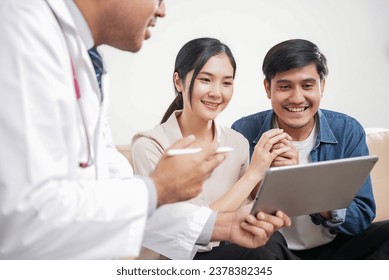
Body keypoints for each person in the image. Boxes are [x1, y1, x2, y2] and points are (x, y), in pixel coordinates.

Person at [0, 0, 291, 260]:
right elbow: (19, 218)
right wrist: (157, 189)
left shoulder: (87, 61)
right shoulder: (19, 31)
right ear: (179, 81)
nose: (162, 10)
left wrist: (224, 224)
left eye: (227, 82)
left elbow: (111, 195)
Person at [131, 37, 297, 260]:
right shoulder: (149, 145)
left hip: (230, 247)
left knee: (273, 242)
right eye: (205, 80)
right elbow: (189, 230)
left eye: (226, 83)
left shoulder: (237, 142)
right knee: (259, 255)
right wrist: (252, 173)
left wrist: (282, 170)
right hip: (177, 259)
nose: (217, 93)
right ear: (179, 82)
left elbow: (247, 215)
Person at [232, 38, 389, 259]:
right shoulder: (244, 131)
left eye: (307, 86)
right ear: (268, 88)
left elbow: (361, 215)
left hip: (337, 247)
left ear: (321, 86)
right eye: (284, 86)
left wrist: (301, 180)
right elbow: (233, 213)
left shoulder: (347, 130)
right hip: (273, 249)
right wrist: (260, 174)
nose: (297, 98)